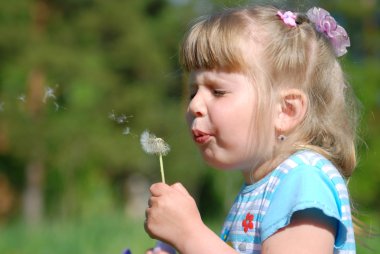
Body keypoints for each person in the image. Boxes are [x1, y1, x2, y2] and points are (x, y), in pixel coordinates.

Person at [144, 4, 358, 254]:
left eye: (218, 91)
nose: (194, 105)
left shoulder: (304, 180)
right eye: (193, 92)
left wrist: (190, 234)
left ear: (285, 111)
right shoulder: (262, 186)